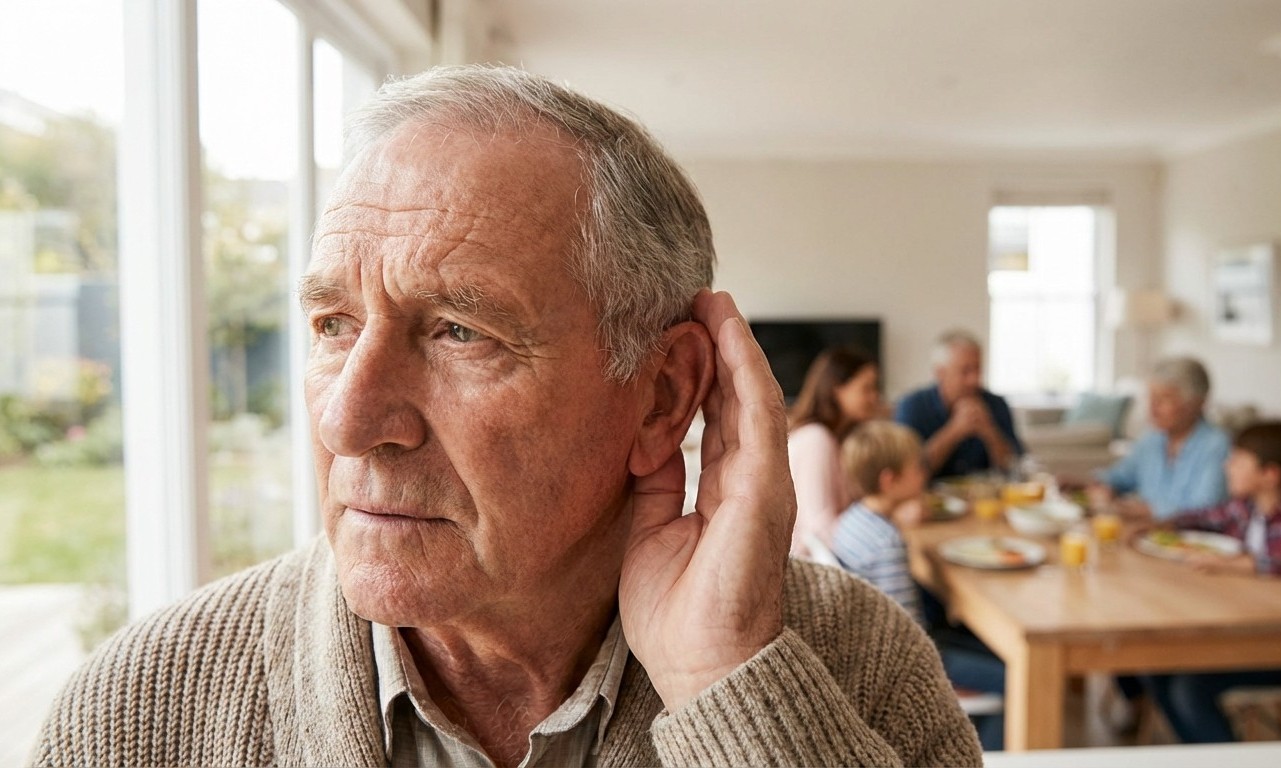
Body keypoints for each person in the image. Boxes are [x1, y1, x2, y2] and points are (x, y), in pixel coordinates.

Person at [30, 66, 979, 766]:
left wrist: (729, 689)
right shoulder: (140, 713)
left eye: (456, 331)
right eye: (332, 324)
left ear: (660, 395)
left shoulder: (856, 666)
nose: (349, 420)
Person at [1137, 420, 1281, 743]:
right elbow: (1199, 518)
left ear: (1269, 474)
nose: (1227, 465)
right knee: (1152, 663)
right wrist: (1153, 522)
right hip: (1246, 632)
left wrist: (1250, 564)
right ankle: (1201, 750)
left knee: (1191, 687)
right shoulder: (1244, 508)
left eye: (1238, 460)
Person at [831, 420, 1007, 750]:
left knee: (993, 649)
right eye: (917, 468)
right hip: (904, 662)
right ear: (890, 480)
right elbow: (912, 637)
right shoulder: (887, 544)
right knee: (1015, 679)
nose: (924, 474)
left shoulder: (852, 519)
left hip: (870, 652)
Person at [1090, 356, 1229, 521]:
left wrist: (1150, 511)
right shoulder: (1151, 438)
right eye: (1151, 398)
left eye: (1164, 399)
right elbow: (1120, 477)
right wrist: (1103, 486)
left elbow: (1206, 511)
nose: (1152, 408)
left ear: (1196, 403)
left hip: (1188, 542)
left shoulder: (1217, 445)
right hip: (1142, 535)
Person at [786, 346, 881, 557]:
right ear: (837, 389)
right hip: (813, 567)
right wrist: (876, 537)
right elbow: (819, 527)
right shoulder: (815, 439)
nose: (875, 397)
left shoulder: (834, 438)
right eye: (867, 388)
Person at [894, 330, 1023, 481]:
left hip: (986, 500)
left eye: (978, 369)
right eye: (965, 371)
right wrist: (955, 431)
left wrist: (989, 431)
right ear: (940, 372)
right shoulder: (911, 406)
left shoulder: (996, 404)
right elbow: (905, 473)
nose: (974, 380)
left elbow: (1014, 467)